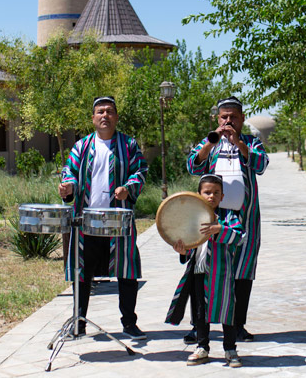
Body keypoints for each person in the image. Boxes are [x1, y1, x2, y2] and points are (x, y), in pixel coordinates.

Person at [58, 96, 148, 340]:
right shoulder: (82, 146)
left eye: (109, 111)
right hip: (85, 221)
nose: (105, 115)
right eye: (100, 112)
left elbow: (141, 171)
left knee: (126, 270)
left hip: (118, 221)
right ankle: (79, 323)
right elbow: (70, 173)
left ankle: (129, 323)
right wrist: (67, 187)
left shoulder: (128, 145)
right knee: (81, 271)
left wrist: (128, 187)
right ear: (93, 118)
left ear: (116, 117)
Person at [185, 96, 268, 344]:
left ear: (242, 118)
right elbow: (192, 165)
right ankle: (199, 327)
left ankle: (238, 325)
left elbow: (261, 165)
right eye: (224, 117)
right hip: (209, 217)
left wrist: (239, 144)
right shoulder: (209, 140)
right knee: (202, 269)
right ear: (217, 119)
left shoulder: (252, 142)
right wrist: (210, 145)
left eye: (233, 117)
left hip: (245, 218)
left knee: (242, 272)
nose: (228, 121)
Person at [166, 175, 245, 368]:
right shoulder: (192, 216)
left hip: (222, 273)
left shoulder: (229, 216)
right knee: (199, 311)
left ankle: (230, 348)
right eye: (207, 192)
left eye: (216, 193)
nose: (211, 196)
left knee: (227, 310)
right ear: (199, 194)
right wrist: (182, 251)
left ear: (222, 196)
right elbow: (186, 241)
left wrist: (220, 230)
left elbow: (240, 237)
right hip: (199, 270)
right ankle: (202, 346)